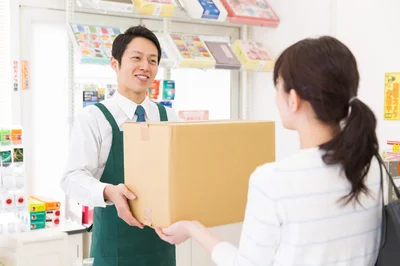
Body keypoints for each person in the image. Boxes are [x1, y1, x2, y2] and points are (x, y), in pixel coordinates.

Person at [155, 36, 383, 265]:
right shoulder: (371, 166)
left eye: (278, 87)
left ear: (293, 99)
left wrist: (193, 229)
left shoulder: (273, 181)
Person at [61, 25, 179, 266]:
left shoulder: (168, 117)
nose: (145, 66)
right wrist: (108, 192)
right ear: (115, 63)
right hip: (114, 248)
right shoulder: (94, 118)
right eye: (136, 58)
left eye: (153, 60)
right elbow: (71, 178)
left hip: (161, 246)